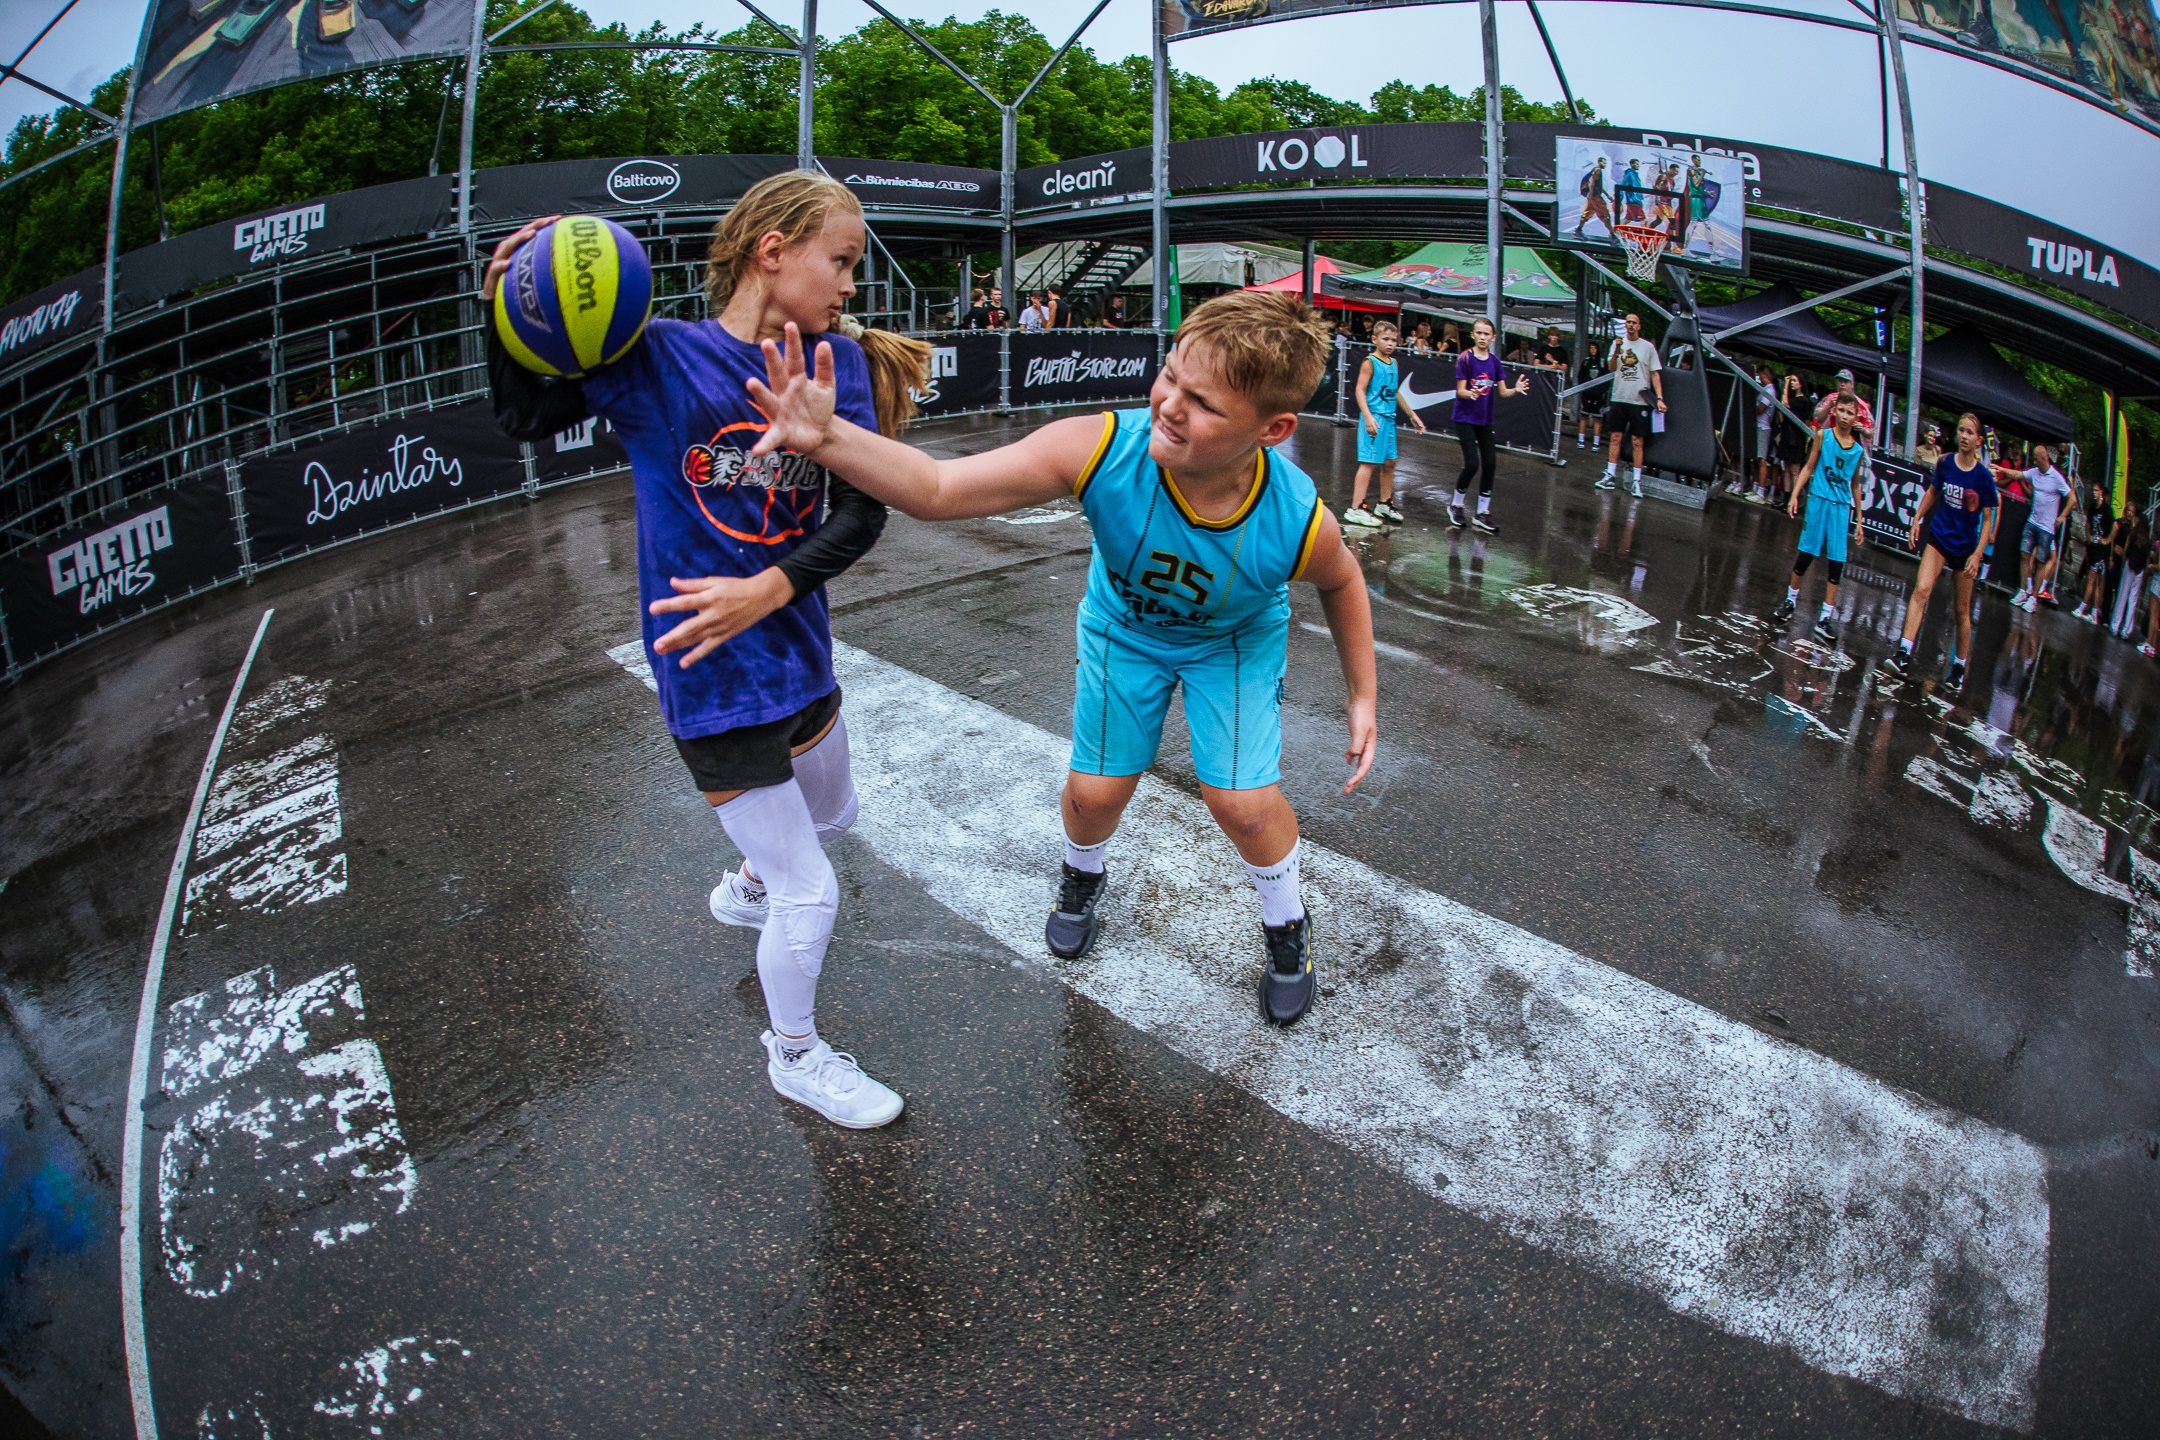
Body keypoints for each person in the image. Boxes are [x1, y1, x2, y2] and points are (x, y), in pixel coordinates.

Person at [743, 289, 1378, 1029]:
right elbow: (938, 489)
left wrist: (1362, 694)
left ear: (1273, 429)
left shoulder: (1294, 519)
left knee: (1241, 803)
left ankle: (1287, 922)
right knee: (1095, 793)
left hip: (1232, 643)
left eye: (1204, 403)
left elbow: (1343, 581)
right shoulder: (1103, 449)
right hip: (1125, 632)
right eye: (1170, 375)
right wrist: (827, 437)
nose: (1170, 405)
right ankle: (1081, 877)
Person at [480, 172, 916, 1129]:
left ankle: (748, 882)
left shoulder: (836, 362)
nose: (852, 285)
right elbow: (523, 417)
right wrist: (502, 307)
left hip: (797, 652)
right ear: (773, 250)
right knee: (812, 889)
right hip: (707, 672)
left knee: (835, 816)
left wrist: (769, 590)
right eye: (841, 260)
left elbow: (862, 513)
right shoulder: (658, 358)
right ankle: (794, 1056)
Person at [1883, 412, 1999, 690]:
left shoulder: (1983, 477)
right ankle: (1903, 653)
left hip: (1965, 547)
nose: (1964, 436)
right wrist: (1917, 518)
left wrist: (1977, 554)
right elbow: (1932, 492)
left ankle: (1958, 667)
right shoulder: (1945, 462)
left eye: (1970, 432)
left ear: (1979, 440)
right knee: (1921, 589)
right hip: (1939, 537)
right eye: (1961, 430)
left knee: (1961, 610)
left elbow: (1987, 520)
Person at [1770, 391, 1868, 641]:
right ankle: (1790, 601)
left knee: (1836, 563)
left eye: (1850, 412)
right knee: (1806, 554)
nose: (1845, 416)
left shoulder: (1857, 451)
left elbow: (1855, 484)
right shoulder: (1823, 437)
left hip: (1840, 507)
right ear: (1834, 412)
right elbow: (1809, 466)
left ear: (1856, 417)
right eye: (1841, 410)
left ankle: (1825, 617)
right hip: (1818, 501)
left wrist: (1859, 518)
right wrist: (1795, 494)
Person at [1450, 316, 1528, 533]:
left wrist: (1515, 389)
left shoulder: (1494, 362)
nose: (1482, 337)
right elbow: (1460, 390)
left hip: (1484, 420)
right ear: (1472, 335)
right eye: (1479, 333)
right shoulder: (1465, 359)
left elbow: (1503, 392)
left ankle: (1482, 512)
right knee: (1472, 463)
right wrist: (1471, 393)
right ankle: (1456, 505)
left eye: (1486, 334)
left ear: (1493, 337)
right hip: (1464, 418)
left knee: (1491, 464)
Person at [1343, 320, 1425, 528]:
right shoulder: (1370, 362)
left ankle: (1384, 503)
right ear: (1375, 339)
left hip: (1389, 419)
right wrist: (1368, 416)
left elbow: (1394, 391)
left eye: (1394, 340)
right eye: (1386, 339)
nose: (1390, 344)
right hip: (1375, 418)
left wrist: (1412, 415)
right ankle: (1356, 508)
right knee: (1368, 462)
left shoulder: (1393, 363)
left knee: (1390, 462)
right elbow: (1360, 389)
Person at [1596, 312, 1664, 498]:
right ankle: (1610, 475)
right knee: (1615, 436)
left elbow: (1655, 374)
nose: (1631, 325)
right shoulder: (1618, 344)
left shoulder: (1647, 347)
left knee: (1637, 440)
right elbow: (1611, 367)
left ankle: (1636, 480)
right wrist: (1616, 351)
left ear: (1639, 326)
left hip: (1639, 400)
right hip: (1619, 397)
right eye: (1628, 322)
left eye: (1634, 322)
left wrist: (1659, 398)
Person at [2013, 444, 2074, 610]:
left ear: (2043, 458)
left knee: (2042, 561)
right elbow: (2018, 474)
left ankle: (2034, 597)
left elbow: (2072, 498)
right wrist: (2001, 469)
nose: (2034, 461)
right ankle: (2024, 590)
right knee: (2025, 554)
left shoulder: (2057, 477)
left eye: (2035, 458)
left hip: (2047, 527)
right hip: (2033, 522)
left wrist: (2062, 517)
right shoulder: (2035, 473)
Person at [2075, 480, 2116, 623]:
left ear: (2101, 493)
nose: (2094, 493)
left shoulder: (2106, 509)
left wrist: (2107, 540)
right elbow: (2088, 522)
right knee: (2094, 580)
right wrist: (2088, 535)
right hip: (2093, 547)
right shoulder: (2093, 507)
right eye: (2093, 490)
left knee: (2093, 579)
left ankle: (2083, 606)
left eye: (2096, 491)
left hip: (2101, 551)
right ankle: (2094, 612)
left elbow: (2115, 525)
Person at [2112, 506, 2150, 641]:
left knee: (2122, 596)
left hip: (2129, 566)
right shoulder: (2147, 541)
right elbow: (2146, 560)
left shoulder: (2133, 535)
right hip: (2139, 571)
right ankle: (2127, 630)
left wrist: (2124, 562)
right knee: (2133, 600)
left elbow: (2127, 551)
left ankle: (2115, 625)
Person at [1750, 363, 1777, 503]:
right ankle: (1755, 487)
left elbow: (1761, 409)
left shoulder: (1770, 390)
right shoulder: (1764, 389)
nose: (1759, 378)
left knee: (1762, 459)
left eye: (1760, 375)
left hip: (1763, 427)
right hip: (1758, 426)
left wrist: (1750, 406)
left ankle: (1761, 491)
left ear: (1764, 375)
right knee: (1756, 458)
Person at [1574, 334, 1606, 450]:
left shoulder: (1602, 362)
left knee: (1597, 419)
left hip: (1598, 396)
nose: (1592, 350)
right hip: (1586, 395)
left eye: (1594, 348)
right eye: (1591, 348)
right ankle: (1581, 440)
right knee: (1584, 416)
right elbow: (1580, 376)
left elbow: (1606, 379)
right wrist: (1584, 388)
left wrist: (1600, 390)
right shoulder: (1586, 362)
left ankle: (1596, 443)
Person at [1575, 156, 1614, 239]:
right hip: (1595, 197)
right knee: (1605, 216)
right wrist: (1592, 195)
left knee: (1587, 214)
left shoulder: (1595, 170)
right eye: (1604, 163)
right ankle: (1613, 236)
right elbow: (1592, 183)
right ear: (1599, 162)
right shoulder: (1597, 170)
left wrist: (1607, 195)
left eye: (1606, 163)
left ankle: (1578, 230)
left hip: (1592, 197)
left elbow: (1598, 185)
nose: (1605, 164)